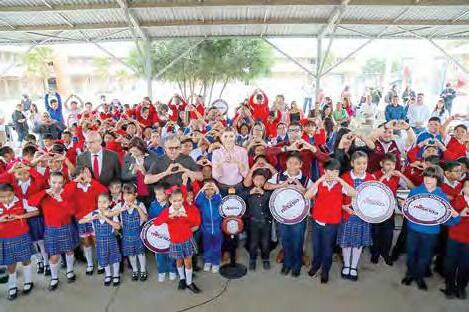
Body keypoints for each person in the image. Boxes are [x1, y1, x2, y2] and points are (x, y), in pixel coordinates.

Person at [402, 166, 461, 291]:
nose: (428, 179)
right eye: (426, 176)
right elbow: (407, 211)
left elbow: (446, 219)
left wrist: (456, 217)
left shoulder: (442, 196)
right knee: (411, 254)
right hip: (413, 229)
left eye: (432, 177)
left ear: (438, 179)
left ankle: (419, 277)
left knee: (426, 257)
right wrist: (403, 206)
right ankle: (410, 274)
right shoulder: (415, 191)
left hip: (431, 233)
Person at [305, 159, 357, 284]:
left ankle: (325, 271)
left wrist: (340, 180)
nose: (332, 174)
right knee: (317, 247)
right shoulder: (320, 184)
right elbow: (307, 196)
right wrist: (319, 180)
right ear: (324, 171)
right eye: (330, 171)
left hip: (332, 223)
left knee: (328, 249)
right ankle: (316, 265)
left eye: (336, 171)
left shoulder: (340, 185)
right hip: (317, 221)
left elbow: (354, 193)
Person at [28, 172, 79, 291]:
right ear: (49, 182)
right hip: (51, 229)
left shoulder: (66, 194)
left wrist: (61, 200)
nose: (57, 185)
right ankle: (54, 277)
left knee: (69, 251)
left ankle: (70, 271)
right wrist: (44, 192)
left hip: (66, 226)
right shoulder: (44, 196)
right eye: (54, 182)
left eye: (60, 183)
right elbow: (31, 202)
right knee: (54, 256)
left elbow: (72, 212)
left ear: (64, 183)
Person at [265, 152, 313, 277]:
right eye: (290, 163)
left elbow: (314, 193)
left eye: (296, 163)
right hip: (282, 215)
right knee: (285, 240)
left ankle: (297, 264)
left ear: (301, 165)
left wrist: (302, 189)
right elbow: (266, 185)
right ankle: (287, 263)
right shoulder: (279, 176)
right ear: (286, 163)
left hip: (299, 216)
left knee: (298, 240)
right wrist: (281, 184)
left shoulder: (305, 179)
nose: (292, 166)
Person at [153, 187, 202, 293]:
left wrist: (185, 216)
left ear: (183, 199)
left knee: (188, 262)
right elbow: (156, 222)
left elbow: (195, 222)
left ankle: (189, 282)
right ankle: (182, 279)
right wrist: (170, 216)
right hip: (175, 241)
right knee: (179, 261)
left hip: (187, 239)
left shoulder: (187, 209)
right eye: (175, 201)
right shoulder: (167, 212)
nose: (177, 203)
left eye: (180, 200)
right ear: (170, 200)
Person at [337, 151, 375, 281]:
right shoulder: (345, 177)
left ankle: (353, 266)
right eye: (358, 163)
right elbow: (338, 197)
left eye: (364, 163)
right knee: (346, 242)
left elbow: (374, 198)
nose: (361, 166)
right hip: (348, 215)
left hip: (363, 217)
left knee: (358, 243)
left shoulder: (371, 178)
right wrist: (343, 207)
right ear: (352, 163)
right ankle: (346, 265)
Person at [371, 153, 414, 265]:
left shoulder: (396, 176)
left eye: (393, 164)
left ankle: (385, 254)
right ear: (382, 164)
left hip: (389, 211)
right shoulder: (375, 175)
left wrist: (402, 175)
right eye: (388, 164)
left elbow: (412, 187)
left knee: (388, 234)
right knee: (375, 233)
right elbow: (372, 190)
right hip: (376, 210)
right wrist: (384, 177)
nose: (391, 167)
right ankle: (375, 254)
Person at [0, 183, 36, 300]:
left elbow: (36, 212)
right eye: (2, 197)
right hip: (5, 239)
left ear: (14, 194)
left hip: (21, 236)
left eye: (9, 196)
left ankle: (28, 282)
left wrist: (21, 216)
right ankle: (12, 286)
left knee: (26, 260)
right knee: (10, 264)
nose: (6, 199)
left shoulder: (22, 201)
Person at [79, 193, 122, 287]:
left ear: (110, 203)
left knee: (114, 258)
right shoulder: (94, 213)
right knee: (103, 258)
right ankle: (108, 275)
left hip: (111, 240)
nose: (101, 204)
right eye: (99, 202)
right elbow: (80, 221)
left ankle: (116, 275)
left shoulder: (112, 213)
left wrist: (105, 218)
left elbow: (118, 227)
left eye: (104, 202)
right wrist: (91, 218)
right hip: (100, 241)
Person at [113, 183, 148, 282]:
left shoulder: (140, 204)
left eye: (129, 194)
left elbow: (145, 218)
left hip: (138, 233)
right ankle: (135, 270)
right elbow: (110, 213)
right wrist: (121, 209)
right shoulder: (120, 205)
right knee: (131, 254)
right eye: (124, 195)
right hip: (126, 234)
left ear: (135, 195)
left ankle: (143, 270)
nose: (126, 197)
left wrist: (136, 207)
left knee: (140, 253)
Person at [442, 180, 469, 299]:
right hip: (454, 238)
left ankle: (461, 288)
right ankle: (449, 287)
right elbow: (446, 220)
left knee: (465, 265)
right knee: (450, 264)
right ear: (463, 188)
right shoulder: (456, 201)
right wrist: (459, 215)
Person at [241, 169, 272, 271]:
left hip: (265, 222)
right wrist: (250, 192)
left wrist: (264, 193)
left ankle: (265, 258)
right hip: (253, 222)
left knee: (265, 242)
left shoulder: (268, 192)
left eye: (262, 179)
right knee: (253, 242)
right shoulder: (248, 192)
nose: (259, 182)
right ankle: (252, 259)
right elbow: (241, 199)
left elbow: (272, 203)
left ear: (265, 181)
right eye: (257, 179)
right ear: (253, 180)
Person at [148, 183, 176, 282]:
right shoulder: (153, 205)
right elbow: (150, 221)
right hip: (158, 236)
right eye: (156, 194)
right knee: (159, 254)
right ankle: (161, 271)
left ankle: (172, 270)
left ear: (167, 194)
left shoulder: (172, 205)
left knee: (171, 253)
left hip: (170, 234)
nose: (157, 197)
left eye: (160, 194)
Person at [195, 179, 223, 273]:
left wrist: (215, 188)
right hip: (205, 227)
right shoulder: (202, 201)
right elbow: (197, 201)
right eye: (207, 189)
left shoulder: (217, 199)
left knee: (216, 246)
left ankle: (215, 262)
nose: (209, 191)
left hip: (217, 227)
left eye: (212, 189)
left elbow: (220, 199)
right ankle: (207, 261)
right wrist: (203, 188)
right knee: (207, 245)